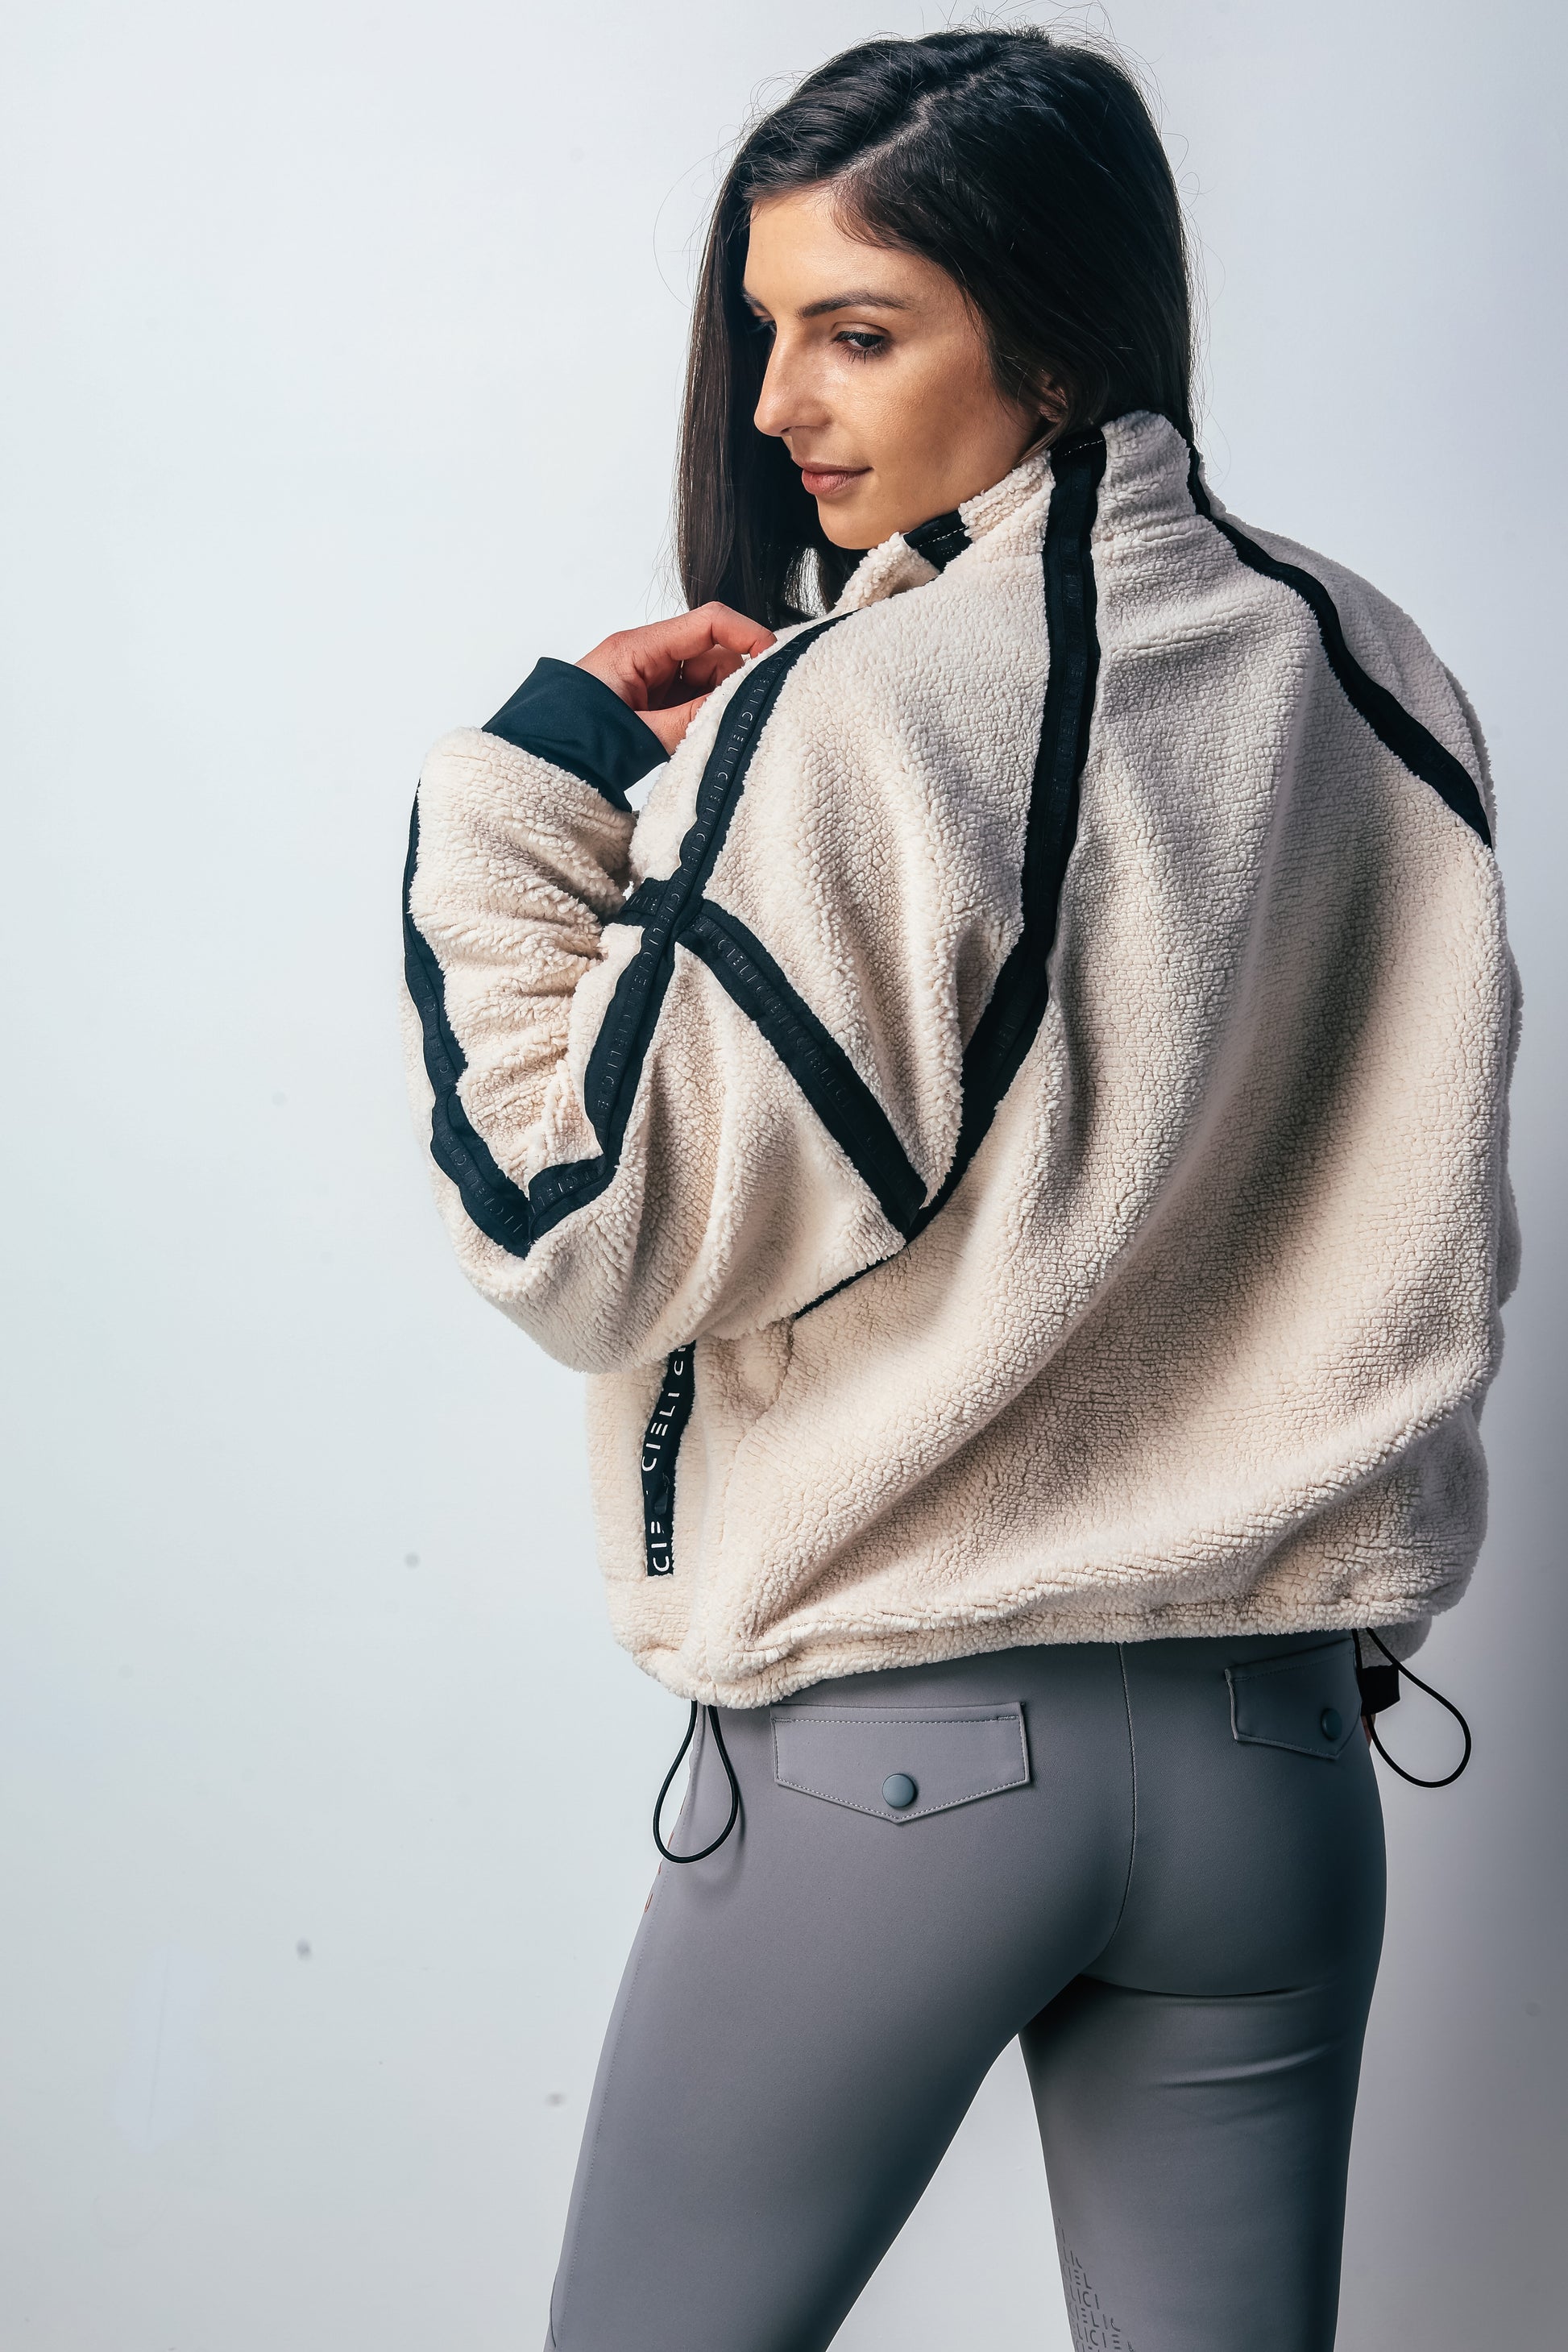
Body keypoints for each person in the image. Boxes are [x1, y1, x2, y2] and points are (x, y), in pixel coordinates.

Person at [400, 27, 1517, 2352]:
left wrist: (520, 799)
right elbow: (1430, 1212)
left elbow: (579, 1228)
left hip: (904, 1760)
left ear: (1054, 322)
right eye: (763, 327)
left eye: (859, 327)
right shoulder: (1375, 671)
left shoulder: (870, 710)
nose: (778, 400)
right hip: (1276, 1756)